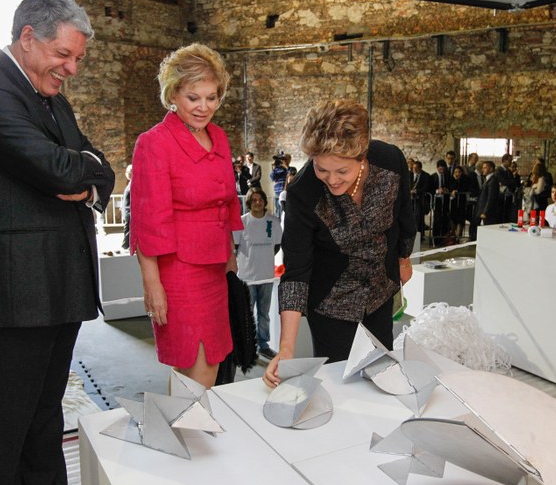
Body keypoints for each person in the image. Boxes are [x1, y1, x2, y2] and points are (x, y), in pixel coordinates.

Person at [0, 0, 115, 485]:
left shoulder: (53, 101)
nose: (72, 69)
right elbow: (59, 168)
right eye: (64, 54)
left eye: (79, 59)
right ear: (27, 37)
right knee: (1, 431)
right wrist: (81, 171)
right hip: (10, 295)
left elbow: (98, 168)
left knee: (44, 423)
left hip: (59, 289)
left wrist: (84, 173)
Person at [263, 100, 415, 387]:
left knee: (380, 373)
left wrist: (404, 258)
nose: (332, 180)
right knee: (338, 384)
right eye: (322, 169)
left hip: (380, 290)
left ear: (362, 155)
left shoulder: (391, 162)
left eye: (342, 171)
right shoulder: (303, 192)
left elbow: (404, 213)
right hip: (331, 302)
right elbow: (296, 272)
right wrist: (286, 348)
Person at [130, 43, 243, 390]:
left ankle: (186, 433)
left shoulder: (219, 137)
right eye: (194, 97)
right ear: (173, 94)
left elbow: (224, 204)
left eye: (212, 98)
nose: (204, 107)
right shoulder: (154, 143)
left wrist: (229, 260)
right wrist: (152, 284)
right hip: (178, 270)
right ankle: (186, 436)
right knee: (194, 362)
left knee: (212, 360)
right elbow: (147, 220)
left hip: (214, 267)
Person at [234, 188, 283, 359]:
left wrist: (264, 258)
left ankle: (263, 345)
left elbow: (276, 246)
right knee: (246, 315)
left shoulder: (274, 222)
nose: (257, 202)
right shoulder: (241, 222)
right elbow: (234, 248)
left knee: (264, 314)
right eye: (253, 200)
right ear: (248, 203)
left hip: (266, 277)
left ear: (264, 201)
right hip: (247, 278)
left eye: (260, 199)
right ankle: (246, 346)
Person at [470, 160, 500, 241]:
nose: (483, 169)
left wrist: (485, 212)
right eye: (482, 168)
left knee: (488, 230)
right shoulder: (487, 180)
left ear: (491, 169)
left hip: (488, 213)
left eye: (485, 168)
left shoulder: (493, 181)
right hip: (482, 210)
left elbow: (491, 198)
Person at [409, 159, 431, 239]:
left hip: (420, 199)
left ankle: (419, 236)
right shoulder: (409, 174)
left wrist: (417, 191)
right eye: (413, 167)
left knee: (419, 218)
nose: (414, 169)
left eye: (417, 168)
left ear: (420, 168)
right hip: (410, 200)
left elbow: (426, 187)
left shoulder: (426, 176)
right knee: (410, 217)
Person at [122, 164, 132, 250]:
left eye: (130, 172)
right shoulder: (130, 183)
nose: (128, 174)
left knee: (128, 231)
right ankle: (126, 246)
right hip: (127, 211)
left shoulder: (134, 184)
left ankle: (126, 247)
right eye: (127, 172)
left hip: (130, 212)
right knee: (127, 230)